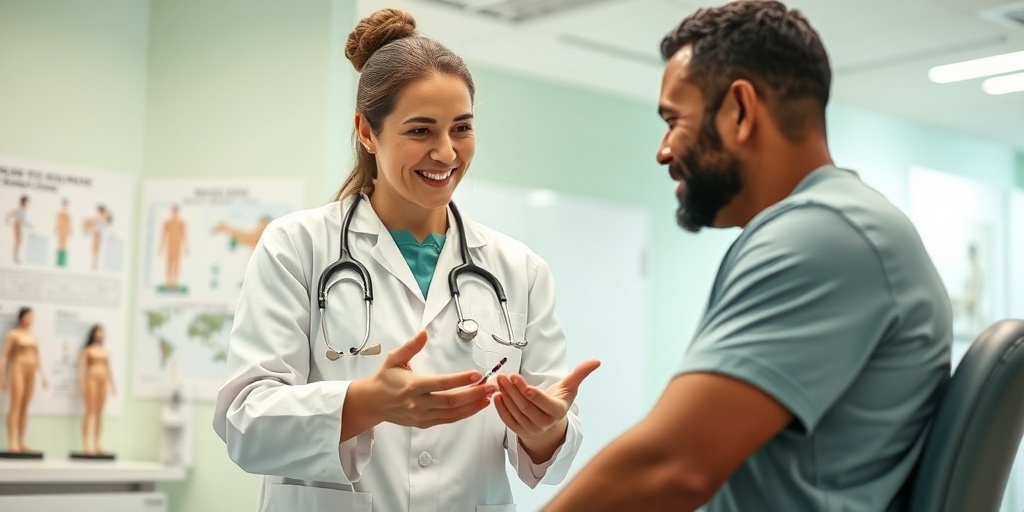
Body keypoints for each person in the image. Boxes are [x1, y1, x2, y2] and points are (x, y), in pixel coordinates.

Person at [543, 2, 952, 511]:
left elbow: (673, 467)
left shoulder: (825, 234)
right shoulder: (828, 226)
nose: (663, 150)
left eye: (674, 121)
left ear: (739, 110)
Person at [213, 8, 599, 511]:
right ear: (367, 132)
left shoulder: (518, 270)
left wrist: (545, 430)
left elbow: (548, 458)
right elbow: (246, 424)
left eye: (461, 128)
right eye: (421, 131)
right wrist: (368, 402)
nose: (446, 153)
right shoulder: (297, 246)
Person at [0, 307, 49, 454]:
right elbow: (5, 356)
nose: (31, 319)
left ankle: (21, 441)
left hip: (31, 371)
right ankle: (12, 441)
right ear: (22, 317)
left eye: (32, 316)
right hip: (18, 368)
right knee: (15, 405)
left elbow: (37, 357)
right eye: (28, 316)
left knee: (25, 407)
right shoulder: (13, 334)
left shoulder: (34, 336)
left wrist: (43, 376)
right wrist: (2, 376)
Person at [78, 323, 116, 455]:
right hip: (92, 380)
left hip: (103, 381)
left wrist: (113, 384)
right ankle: (86, 444)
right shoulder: (87, 350)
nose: (100, 334)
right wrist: (81, 383)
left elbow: (109, 368)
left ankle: (97, 443)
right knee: (90, 412)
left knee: (100, 414)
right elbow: (82, 368)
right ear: (93, 333)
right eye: (98, 331)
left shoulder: (105, 351)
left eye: (102, 332)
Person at [158, 204, 187, 290]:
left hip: (178, 246)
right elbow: (163, 235)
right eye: (173, 211)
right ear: (171, 212)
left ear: (178, 212)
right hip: (169, 245)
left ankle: (175, 283)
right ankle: (168, 283)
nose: (175, 213)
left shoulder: (181, 223)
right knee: (169, 264)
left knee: (177, 264)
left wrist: (186, 248)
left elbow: (184, 236)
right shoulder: (167, 223)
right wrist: (160, 247)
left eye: (176, 212)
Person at [83, 204, 112, 270]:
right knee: (94, 249)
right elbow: (92, 224)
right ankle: (94, 262)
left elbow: (108, 219)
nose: (97, 212)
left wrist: (105, 211)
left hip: (99, 235)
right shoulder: (97, 217)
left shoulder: (104, 217)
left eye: (98, 210)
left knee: (97, 249)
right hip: (95, 235)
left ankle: (95, 262)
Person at [5, 195, 31, 264]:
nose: (28, 203)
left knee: (19, 242)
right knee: (18, 242)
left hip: (20, 227)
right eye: (27, 202)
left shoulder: (24, 210)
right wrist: (7, 221)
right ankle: (15, 257)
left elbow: (23, 221)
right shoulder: (19, 210)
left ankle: (16, 257)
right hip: (17, 226)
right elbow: (10, 214)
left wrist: (29, 225)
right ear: (23, 202)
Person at [55, 199, 72, 267]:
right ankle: (58, 261)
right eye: (64, 205)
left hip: (65, 231)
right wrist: (56, 228)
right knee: (60, 245)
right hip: (60, 231)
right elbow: (57, 222)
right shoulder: (59, 213)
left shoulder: (68, 214)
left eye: (66, 205)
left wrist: (70, 230)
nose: (65, 207)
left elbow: (69, 223)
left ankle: (63, 262)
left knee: (64, 246)